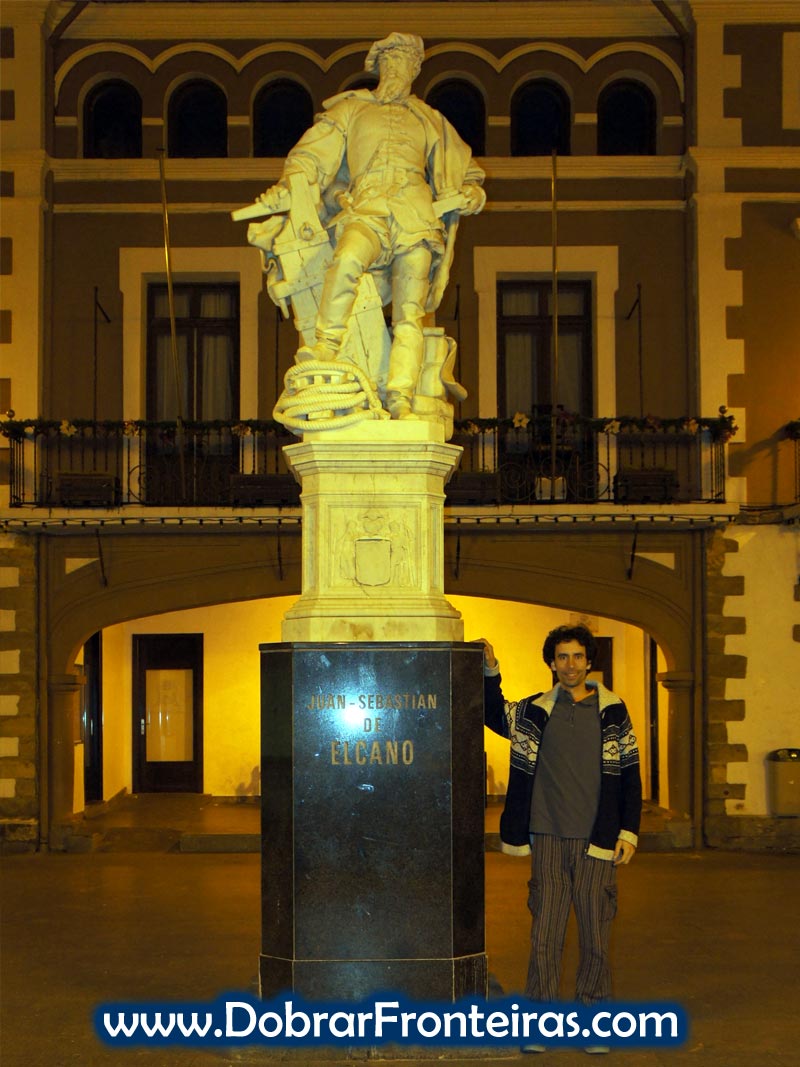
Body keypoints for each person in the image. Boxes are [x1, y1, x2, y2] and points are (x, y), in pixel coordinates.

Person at [257, 32, 486, 420]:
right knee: (345, 259)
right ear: (380, 66)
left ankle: (399, 394)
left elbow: (470, 176)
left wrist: (471, 195)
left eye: (408, 63)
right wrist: (288, 187)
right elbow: (311, 157)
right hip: (367, 208)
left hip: (415, 217)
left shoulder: (431, 121)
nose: (399, 68)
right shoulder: (351, 111)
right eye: (392, 60)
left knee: (409, 314)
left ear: (415, 71)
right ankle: (325, 348)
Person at [478, 625, 642, 1055]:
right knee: (545, 935)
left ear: (589, 662)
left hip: (597, 839)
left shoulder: (613, 711)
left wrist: (628, 831)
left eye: (578, 657)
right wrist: (490, 668)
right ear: (551, 663)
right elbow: (492, 711)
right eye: (562, 657)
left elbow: (629, 775)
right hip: (548, 836)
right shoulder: (533, 711)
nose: (570, 665)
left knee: (595, 934)